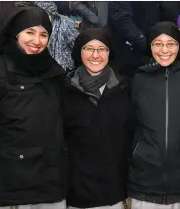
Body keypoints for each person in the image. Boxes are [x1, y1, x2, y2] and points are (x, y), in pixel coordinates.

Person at [0, 7, 67, 209]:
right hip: (7, 194)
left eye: (43, 34)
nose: (37, 41)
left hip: (50, 192)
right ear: (15, 34)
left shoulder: (55, 74)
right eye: (30, 32)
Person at [127, 21, 180, 209]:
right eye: (157, 44)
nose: (164, 50)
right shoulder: (138, 79)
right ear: (149, 46)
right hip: (144, 183)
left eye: (171, 44)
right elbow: (129, 125)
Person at [64, 28, 130, 209]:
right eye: (89, 48)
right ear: (79, 51)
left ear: (110, 53)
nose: (95, 55)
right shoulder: (66, 90)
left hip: (115, 192)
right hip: (77, 193)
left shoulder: (124, 88)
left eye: (102, 49)